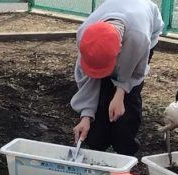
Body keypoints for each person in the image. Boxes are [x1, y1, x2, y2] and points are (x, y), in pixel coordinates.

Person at [70, 0, 163, 155]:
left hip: (142, 26)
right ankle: (97, 142)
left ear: (119, 50)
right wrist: (86, 114)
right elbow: (87, 77)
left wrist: (120, 92)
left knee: (128, 100)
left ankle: (125, 148)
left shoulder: (139, 38)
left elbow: (136, 71)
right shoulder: (86, 35)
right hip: (119, 19)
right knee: (103, 90)